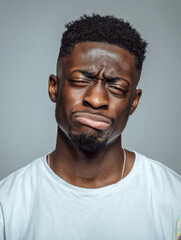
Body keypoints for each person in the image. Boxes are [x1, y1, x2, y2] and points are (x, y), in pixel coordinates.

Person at [0, 14, 181, 240]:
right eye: (80, 80)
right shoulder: (6, 206)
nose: (96, 99)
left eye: (117, 88)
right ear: (54, 87)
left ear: (134, 101)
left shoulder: (174, 200)